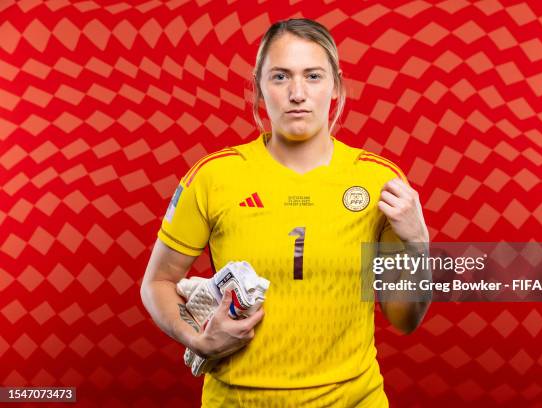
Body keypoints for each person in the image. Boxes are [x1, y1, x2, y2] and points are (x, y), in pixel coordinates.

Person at [140, 18, 430, 407]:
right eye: (280, 77)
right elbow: (157, 282)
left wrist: (418, 245)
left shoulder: (380, 181)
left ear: (336, 85)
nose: (297, 93)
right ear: (259, 85)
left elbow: (404, 320)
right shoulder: (214, 177)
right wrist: (198, 339)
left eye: (312, 75)